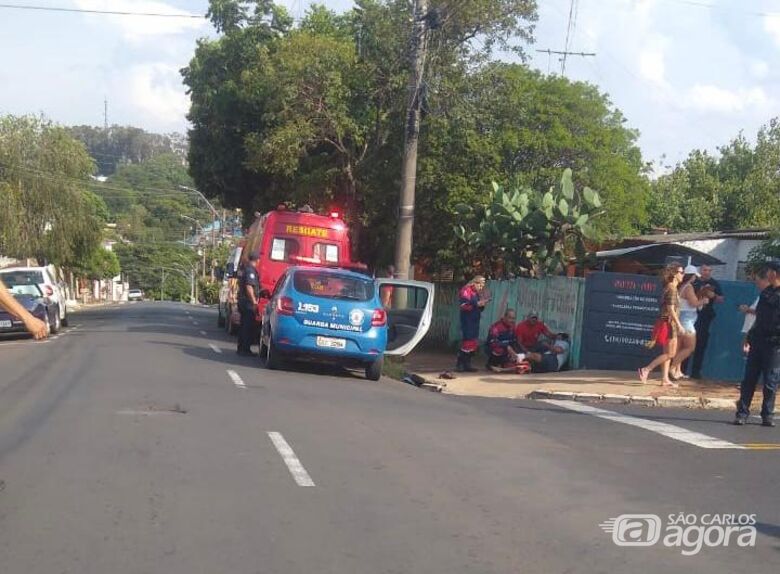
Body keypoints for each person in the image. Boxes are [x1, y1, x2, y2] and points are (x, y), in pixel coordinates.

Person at [734, 261, 780, 427]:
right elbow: (759, 317)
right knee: (749, 379)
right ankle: (742, 413)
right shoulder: (766, 292)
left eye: (769, 271)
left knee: (770, 381)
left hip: (774, 343)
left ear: (774, 273)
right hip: (758, 340)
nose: (767, 274)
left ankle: (767, 415)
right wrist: (749, 337)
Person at [639, 263, 685, 387]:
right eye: (681, 272)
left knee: (667, 352)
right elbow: (670, 308)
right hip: (669, 323)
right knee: (671, 353)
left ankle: (664, 379)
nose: (683, 275)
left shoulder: (670, 287)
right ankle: (647, 369)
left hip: (667, 322)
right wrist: (679, 325)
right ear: (675, 274)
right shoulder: (672, 288)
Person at [670, 265, 713, 380]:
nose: (696, 278)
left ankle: (677, 371)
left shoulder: (681, 286)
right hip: (687, 320)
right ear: (692, 276)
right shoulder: (688, 287)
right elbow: (694, 303)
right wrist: (704, 300)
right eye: (695, 276)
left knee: (680, 347)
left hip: (683, 318)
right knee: (690, 347)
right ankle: (672, 368)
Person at [689, 264, 724, 378]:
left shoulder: (714, 283)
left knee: (701, 344)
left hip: (705, 317)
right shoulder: (694, 281)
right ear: (700, 270)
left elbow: (721, 299)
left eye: (709, 270)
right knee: (687, 343)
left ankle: (695, 372)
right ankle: (681, 369)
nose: (707, 272)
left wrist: (712, 295)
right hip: (691, 315)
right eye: (705, 270)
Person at [456, 275, 489, 372]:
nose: (481, 287)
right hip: (467, 320)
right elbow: (464, 305)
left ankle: (467, 364)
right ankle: (460, 364)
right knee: (467, 342)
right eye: (480, 284)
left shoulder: (476, 293)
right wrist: (477, 304)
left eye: (483, 285)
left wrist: (482, 304)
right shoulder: (466, 291)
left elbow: (478, 307)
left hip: (475, 320)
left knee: (473, 343)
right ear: (475, 282)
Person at [236, 252, 260, 356]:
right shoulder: (250, 271)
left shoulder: (246, 269)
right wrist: (254, 301)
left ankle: (241, 348)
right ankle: (244, 349)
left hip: (243, 301)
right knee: (247, 326)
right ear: (257, 260)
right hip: (247, 302)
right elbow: (249, 287)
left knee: (243, 325)